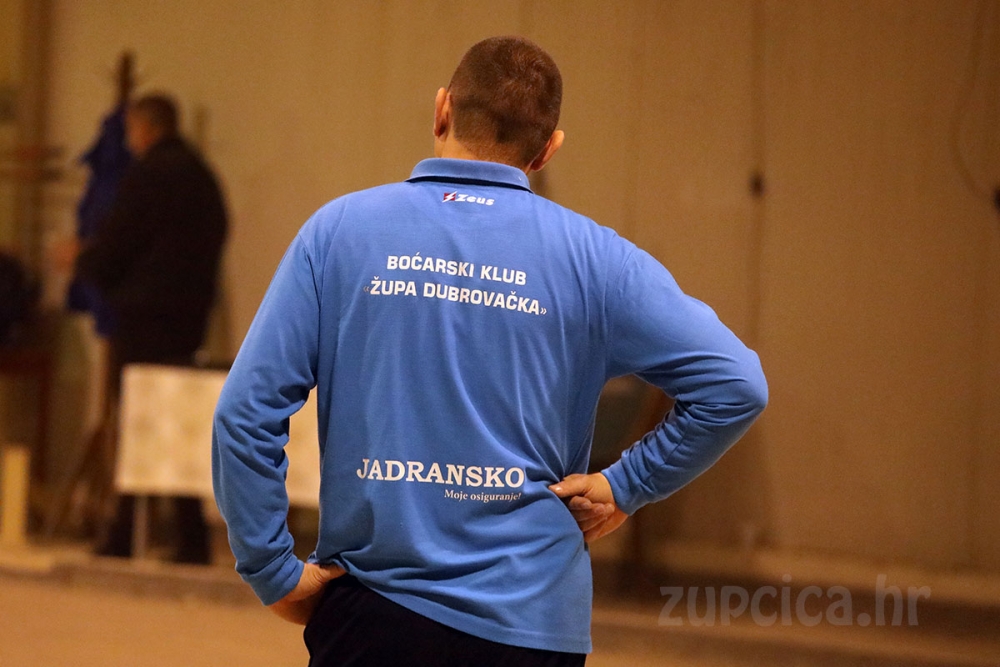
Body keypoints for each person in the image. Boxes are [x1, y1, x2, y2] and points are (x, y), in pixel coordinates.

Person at [212, 36, 766, 666]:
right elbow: (737, 385)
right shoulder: (598, 261)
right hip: (531, 624)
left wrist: (273, 571)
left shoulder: (339, 233)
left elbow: (245, 411)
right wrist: (627, 484)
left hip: (373, 613)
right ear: (547, 149)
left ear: (442, 110)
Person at [75, 93, 228, 564]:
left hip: (143, 319)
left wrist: (84, 261)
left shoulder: (148, 176)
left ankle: (124, 533)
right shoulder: (202, 177)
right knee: (179, 424)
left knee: (135, 424)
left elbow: (118, 243)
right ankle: (189, 535)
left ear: (145, 128)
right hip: (188, 321)